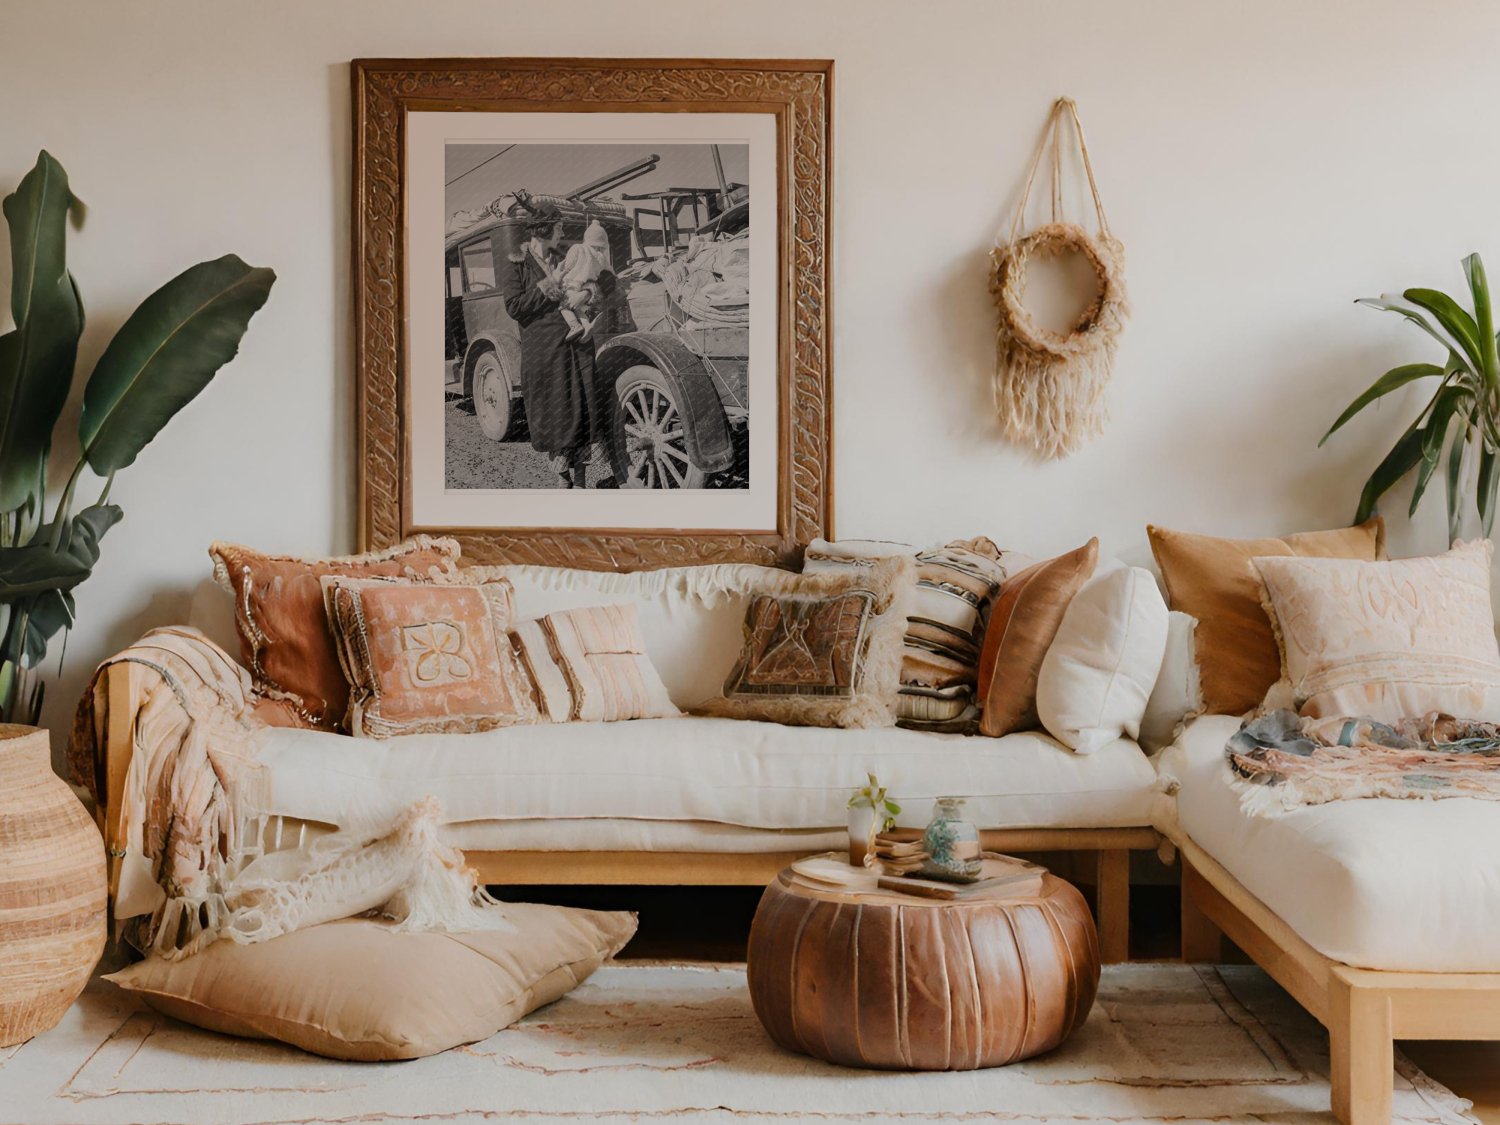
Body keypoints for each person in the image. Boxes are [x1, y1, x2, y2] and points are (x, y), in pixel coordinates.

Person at [500, 204, 608, 488]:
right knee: (555, 411)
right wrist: (552, 283)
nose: (562, 233)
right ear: (545, 229)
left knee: (585, 407)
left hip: (578, 344)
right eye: (559, 227)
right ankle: (562, 478)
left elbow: (599, 281)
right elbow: (514, 307)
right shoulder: (516, 263)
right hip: (545, 350)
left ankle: (582, 478)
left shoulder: (567, 255)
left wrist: (585, 293)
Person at [556, 219, 611, 342]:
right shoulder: (601, 257)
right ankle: (586, 325)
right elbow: (609, 273)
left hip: (572, 284)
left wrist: (563, 271)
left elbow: (568, 264)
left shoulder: (577, 248)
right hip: (588, 284)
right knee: (578, 308)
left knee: (564, 305)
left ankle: (574, 325)